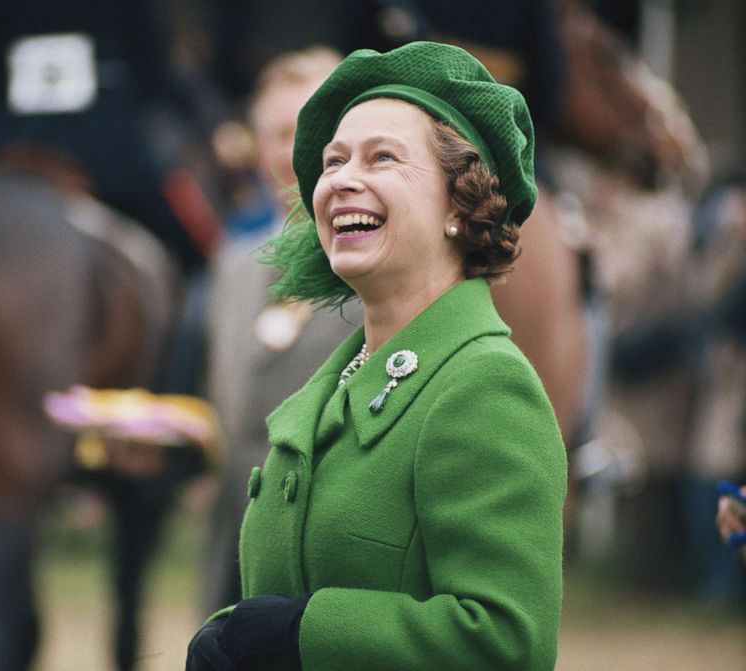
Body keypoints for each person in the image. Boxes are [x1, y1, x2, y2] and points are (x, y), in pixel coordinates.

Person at [186, 41, 567, 670]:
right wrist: (231, 634)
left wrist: (302, 632)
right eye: (334, 161)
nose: (340, 179)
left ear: (458, 203)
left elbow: (507, 643)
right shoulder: (330, 387)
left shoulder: (486, 385)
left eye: (382, 157)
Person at [202, 46, 363, 614]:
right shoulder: (231, 263)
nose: (294, 152)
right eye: (276, 133)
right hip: (230, 567)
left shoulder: (385, 270)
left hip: (334, 582)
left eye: (312, 130)